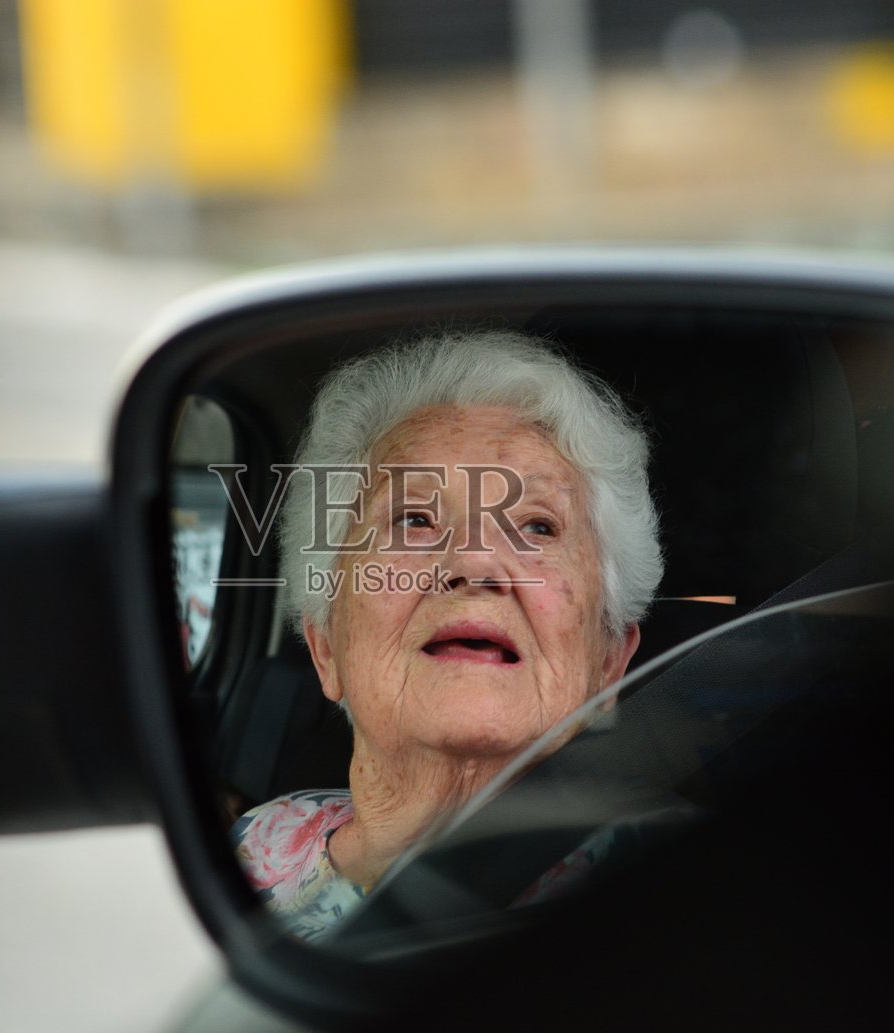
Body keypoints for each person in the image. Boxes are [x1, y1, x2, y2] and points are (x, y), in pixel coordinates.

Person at [230, 330, 663, 941]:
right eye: (413, 519)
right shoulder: (253, 850)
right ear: (326, 645)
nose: (476, 564)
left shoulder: (691, 883)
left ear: (610, 662)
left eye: (537, 526)